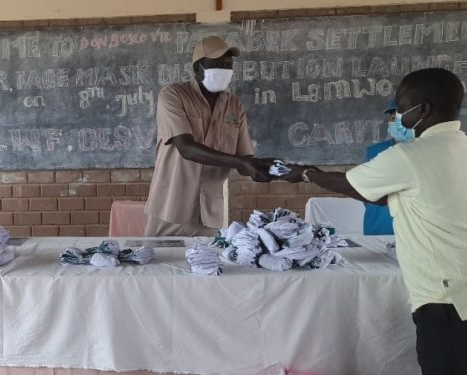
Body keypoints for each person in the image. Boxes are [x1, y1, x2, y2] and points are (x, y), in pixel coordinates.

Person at [281, 68, 467, 374]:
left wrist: (305, 173)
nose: (398, 119)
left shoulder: (410, 156)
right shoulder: (460, 146)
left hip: (446, 302)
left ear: (424, 110)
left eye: (402, 109)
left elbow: (352, 184)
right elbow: (384, 196)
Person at [144, 36, 271, 237]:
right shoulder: (173, 95)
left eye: (227, 66)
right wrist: (241, 162)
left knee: (208, 265)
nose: (223, 70)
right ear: (197, 68)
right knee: (161, 265)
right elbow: (186, 148)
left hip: (209, 213)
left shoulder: (234, 106)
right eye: (216, 65)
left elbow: (245, 159)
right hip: (171, 208)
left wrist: (268, 168)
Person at [362, 99, 398, 235]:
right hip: (379, 228)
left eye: (401, 118)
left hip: (414, 231)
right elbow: (363, 191)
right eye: (393, 118)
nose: (396, 123)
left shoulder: (424, 150)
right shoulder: (374, 152)